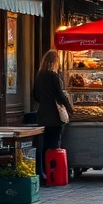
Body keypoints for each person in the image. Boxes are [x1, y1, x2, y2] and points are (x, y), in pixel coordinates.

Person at [32, 49, 74, 184]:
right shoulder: (54, 76)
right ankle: (53, 173)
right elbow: (60, 95)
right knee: (54, 144)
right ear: (55, 62)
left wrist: (44, 101)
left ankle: (43, 172)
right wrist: (69, 107)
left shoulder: (39, 76)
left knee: (43, 145)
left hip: (42, 114)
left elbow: (35, 96)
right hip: (54, 116)